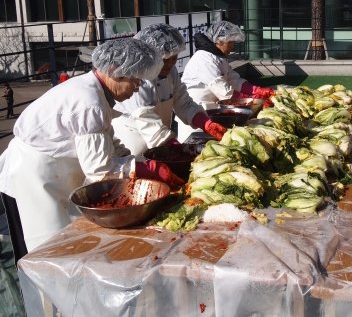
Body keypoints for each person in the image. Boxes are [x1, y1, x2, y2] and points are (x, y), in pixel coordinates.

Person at [0, 38, 183, 259]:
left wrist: (137, 162)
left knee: (67, 240)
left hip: (58, 169)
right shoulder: (89, 101)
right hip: (35, 175)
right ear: (115, 70)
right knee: (46, 249)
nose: (137, 88)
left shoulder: (97, 93)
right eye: (134, 80)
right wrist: (148, 169)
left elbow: (108, 141)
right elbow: (101, 170)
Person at [112, 23, 227, 157]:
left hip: (162, 141)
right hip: (133, 144)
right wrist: (178, 149)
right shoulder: (136, 79)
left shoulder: (171, 72)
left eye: (174, 57)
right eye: (165, 59)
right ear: (150, 56)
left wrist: (204, 122)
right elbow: (146, 121)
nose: (171, 63)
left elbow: (183, 102)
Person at [178, 20, 274, 141]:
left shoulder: (219, 57)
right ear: (219, 41)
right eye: (231, 42)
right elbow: (224, 91)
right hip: (195, 113)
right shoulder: (204, 59)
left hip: (211, 111)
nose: (232, 46)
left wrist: (256, 90)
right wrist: (254, 101)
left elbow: (233, 79)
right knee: (195, 145)